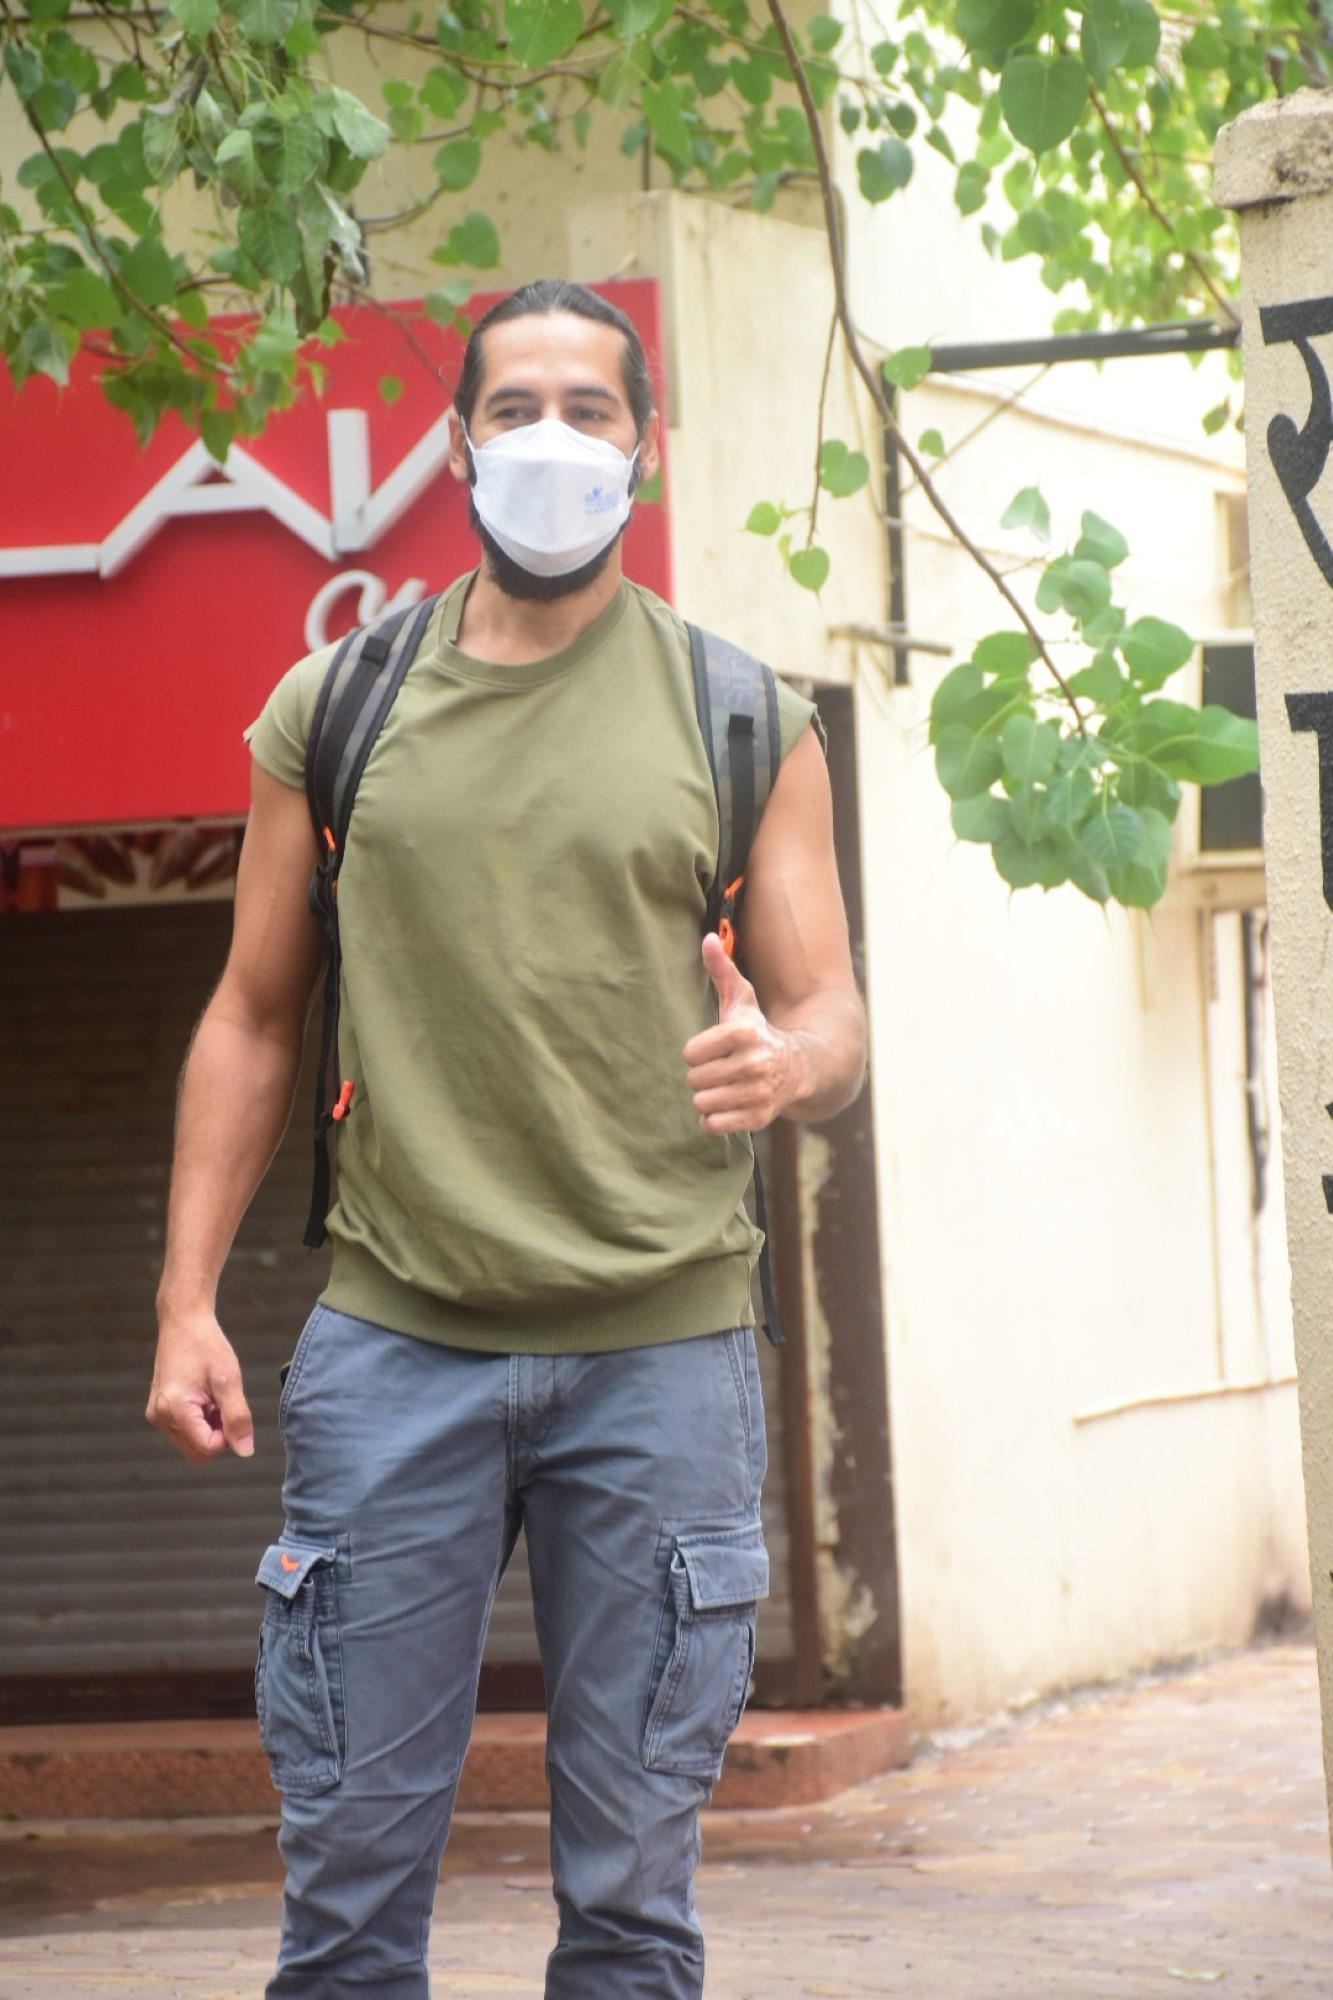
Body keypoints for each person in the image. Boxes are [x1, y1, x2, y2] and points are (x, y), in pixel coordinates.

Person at [146, 278, 867, 2000]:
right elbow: (252, 1012)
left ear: (646, 448)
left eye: (590, 409)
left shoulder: (739, 710)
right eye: (516, 407)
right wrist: (185, 1298)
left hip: (664, 1354)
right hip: (398, 1347)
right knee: (344, 1902)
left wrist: (790, 1064)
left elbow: (831, 1011)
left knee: (631, 1914)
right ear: (456, 443)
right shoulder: (338, 703)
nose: (553, 438)